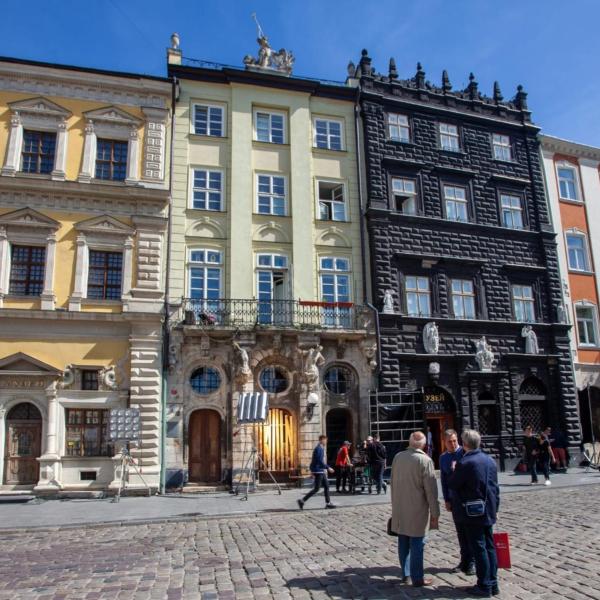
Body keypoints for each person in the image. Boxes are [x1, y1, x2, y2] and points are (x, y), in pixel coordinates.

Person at [449, 429, 500, 598]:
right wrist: (495, 509)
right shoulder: (490, 460)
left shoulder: (465, 462)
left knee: (479, 547)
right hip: (489, 508)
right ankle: (493, 583)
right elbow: (495, 488)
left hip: (472, 511)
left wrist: (454, 469)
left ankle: (484, 585)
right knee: (490, 547)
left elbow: (454, 485)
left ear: (464, 444)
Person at [389, 431, 440, 587]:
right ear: (424, 444)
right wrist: (435, 512)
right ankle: (417, 578)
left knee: (403, 541)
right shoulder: (425, 460)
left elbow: (392, 482)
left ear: (410, 442)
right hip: (417, 509)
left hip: (400, 507)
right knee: (417, 543)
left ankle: (406, 574)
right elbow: (431, 490)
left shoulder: (398, 457)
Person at [439, 429, 475, 576]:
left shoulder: (465, 453)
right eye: (449, 442)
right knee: (460, 531)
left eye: (455, 441)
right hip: (455, 499)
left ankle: (472, 562)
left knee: (470, 531)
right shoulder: (443, 458)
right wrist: (447, 499)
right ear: (444, 442)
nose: (453, 444)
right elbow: (444, 480)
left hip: (468, 498)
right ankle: (464, 561)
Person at [297, 435, 336, 510]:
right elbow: (319, 461)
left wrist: (314, 470)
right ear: (321, 440)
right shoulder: (318, 449)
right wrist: (328, 468)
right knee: (316, 489)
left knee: (326, 486)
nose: (326, 442)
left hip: (320, 471)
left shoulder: (320, 448)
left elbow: (315, 461)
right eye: (325, 440)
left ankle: (328, 503)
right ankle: (302, 501)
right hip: (318, 471)